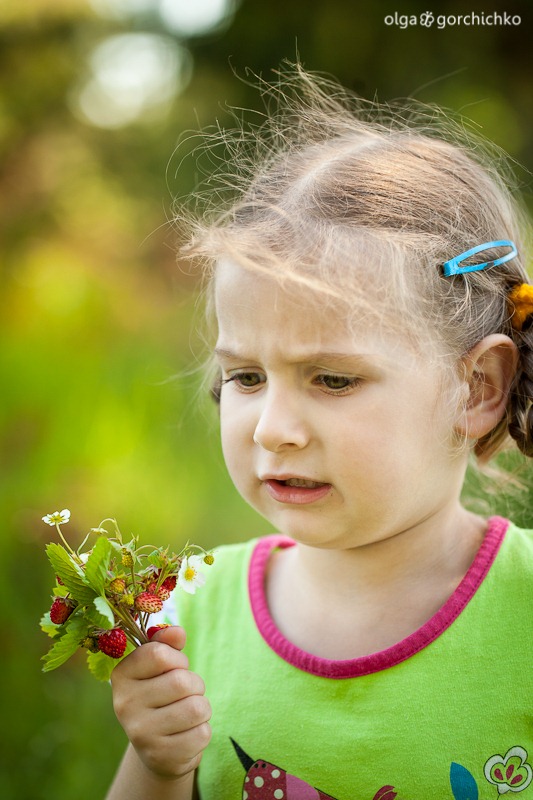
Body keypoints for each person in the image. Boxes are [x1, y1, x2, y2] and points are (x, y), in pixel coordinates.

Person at [106, 67, 533, 800]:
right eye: (244, 377)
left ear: (477, 389)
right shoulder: (188, 614)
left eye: (331, 380)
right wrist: (159, 762)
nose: (272, 429)